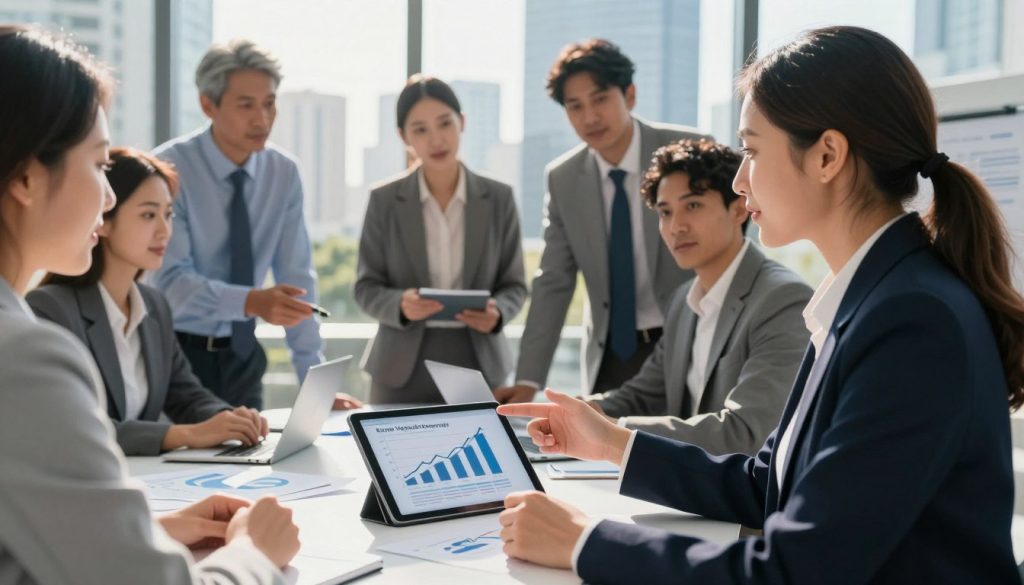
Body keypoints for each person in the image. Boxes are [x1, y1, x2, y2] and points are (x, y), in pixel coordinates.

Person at [497, 26, 1024, 584]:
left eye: (750, 149)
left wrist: (585, 544)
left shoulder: (912, 320)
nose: (741, 182)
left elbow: (798, 571)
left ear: (827, 156)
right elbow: (766, 481)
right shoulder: (873, 297)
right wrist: (610, 441)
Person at [0, 25, 299, 583]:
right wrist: (255, 553)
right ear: (25, 176)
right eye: (97, 166)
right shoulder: (23, 355)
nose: (108, 197)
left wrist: (144, 532)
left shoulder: (145, 308)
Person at [495, 39, 707, 403]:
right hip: (612, 355)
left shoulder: (689, 150)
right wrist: (529, 379)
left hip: (689, 341)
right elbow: (554, 282)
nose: (590, 117)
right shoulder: (563, 178)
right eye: (575, 106)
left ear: (630, 95)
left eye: (600, 99)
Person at [28, 147, 270, 456]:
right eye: (148, 215)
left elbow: (187, 396)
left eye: (168, 215)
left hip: (147, 482)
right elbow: (73, 426)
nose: (164, 230)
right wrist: (182, 434)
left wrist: (233, 419)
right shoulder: (51, 310)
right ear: (104, 222)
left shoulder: (154, 306)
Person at [585, 139, 812, 454]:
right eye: (665, 212)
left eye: (692, 205)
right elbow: (642, 396)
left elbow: (747, 433)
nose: (676, 227)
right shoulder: (683, 302)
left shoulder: (783, 299)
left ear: (737, 210)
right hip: (693, 486)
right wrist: (571, 410)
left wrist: (613, 431)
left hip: (753, 497)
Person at [152, 39, 324, 410]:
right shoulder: (167, 170)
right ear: (207, 104)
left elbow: (297, 279)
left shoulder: (284, 173)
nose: (262, 119)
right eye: (246, 105)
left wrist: (316, 384)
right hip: (176, 356)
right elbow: (171, 283)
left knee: (251, 465)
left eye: (269, 103)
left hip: (244, 357)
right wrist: (251, 301)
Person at [355, 75, 527, 403]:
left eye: (444, 123)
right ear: (403, 136)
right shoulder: (384, 200)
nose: (436, 139)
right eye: (420, 129)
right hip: (399, 365)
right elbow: (365, 287)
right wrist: (399, 304)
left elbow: (515, 285)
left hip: (478, 359)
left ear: (462, 123)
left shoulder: (499, 198)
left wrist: (498, 313)